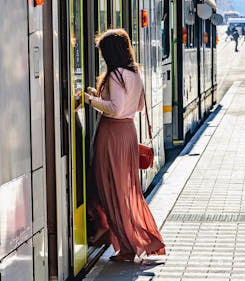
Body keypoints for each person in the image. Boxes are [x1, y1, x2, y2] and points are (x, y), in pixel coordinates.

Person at [81, 28, 165, 262]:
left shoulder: (116, 74)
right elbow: (137, 107)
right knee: (124, 189)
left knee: (108, 186)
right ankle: (129, 238)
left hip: (112, 133)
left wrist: (91, 100)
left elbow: (115, 108)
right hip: (128, 132)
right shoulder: (134, 74)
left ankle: (126, 245)